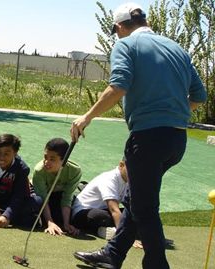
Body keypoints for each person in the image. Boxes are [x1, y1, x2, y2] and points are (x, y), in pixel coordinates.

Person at [71, 3, 207, 269]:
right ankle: (113, 254)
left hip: (147, 140)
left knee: (144, 208)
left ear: (120, 27)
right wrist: (172, 113)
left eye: (116, 31)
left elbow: (119, 85)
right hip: (176, 140)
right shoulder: (177, 48)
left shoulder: (126, 45)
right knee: (136, 199)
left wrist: (86, 117)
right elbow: (199, 97)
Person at [31, 138, 82, 236]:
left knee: (71, 217)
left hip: (59, 195)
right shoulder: (39, 171)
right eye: (45, 157)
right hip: (42, 196)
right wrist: (50, 222)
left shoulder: (75, 171)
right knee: (36, 206)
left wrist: (66, 224)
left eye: (52, 159)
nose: (46, 162)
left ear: (64, 160)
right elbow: (43, 198)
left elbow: (67, 198)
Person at [71, 159, 128, 239]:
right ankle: (120, 232)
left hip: (104, 211)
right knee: (101, 215)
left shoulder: (128, 181)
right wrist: (126, 237)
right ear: (121, 165)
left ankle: (106, 230)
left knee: (129, 214)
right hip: (82, 213)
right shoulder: (109, 179)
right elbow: (114, 210)